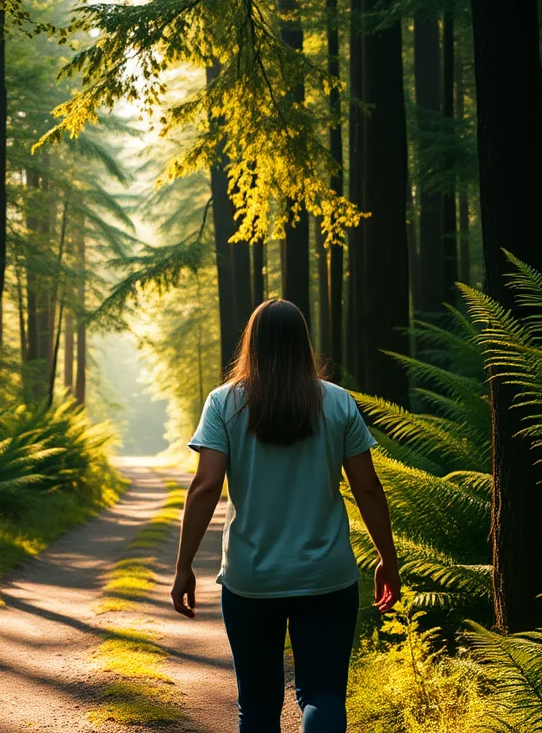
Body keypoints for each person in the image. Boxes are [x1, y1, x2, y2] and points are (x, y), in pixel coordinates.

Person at [171, 299, 401, 733]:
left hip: (251, 580)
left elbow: (205, 487)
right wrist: (387, 559)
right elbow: (367, 487)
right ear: (302, 343)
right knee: (324, 693)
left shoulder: (224, 404)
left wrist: (184, 567)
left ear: (251, 344)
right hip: (327, 576)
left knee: (256, 706)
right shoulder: (338, 402)